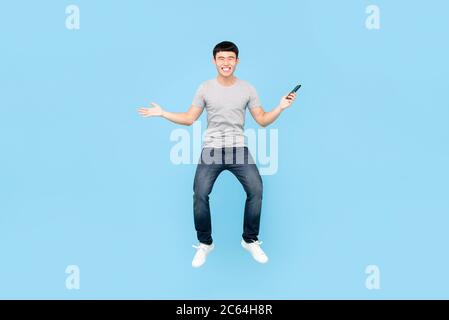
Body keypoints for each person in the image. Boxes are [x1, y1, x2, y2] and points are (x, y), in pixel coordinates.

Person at [138, 41, 297, 268]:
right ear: (214, 61)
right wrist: (162, 112)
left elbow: (262, 121)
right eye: (221, 59)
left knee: (256, 189)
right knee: (200, 193)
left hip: (238, 149)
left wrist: (280, 107)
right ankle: (205, 243)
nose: (226, 63)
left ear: (237, 61)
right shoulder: (204, 88)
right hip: (211, 149)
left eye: (230, 59)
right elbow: (189, 118)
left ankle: (249, 240)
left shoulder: (248, 89)